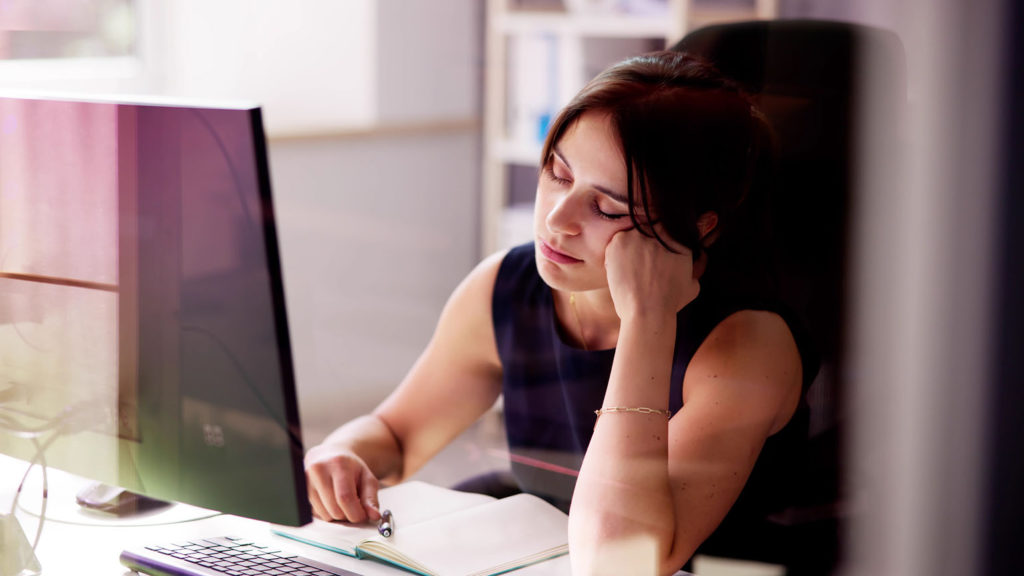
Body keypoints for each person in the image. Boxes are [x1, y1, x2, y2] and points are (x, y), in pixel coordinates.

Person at [304, 50, 817, 575]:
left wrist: (647, 321)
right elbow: (397, 435)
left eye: (608, 208)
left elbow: (621, 561)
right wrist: (344, 454)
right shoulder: (509, 285)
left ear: (699, 226)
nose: (557, 218)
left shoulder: (747, 345)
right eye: (557, 173)